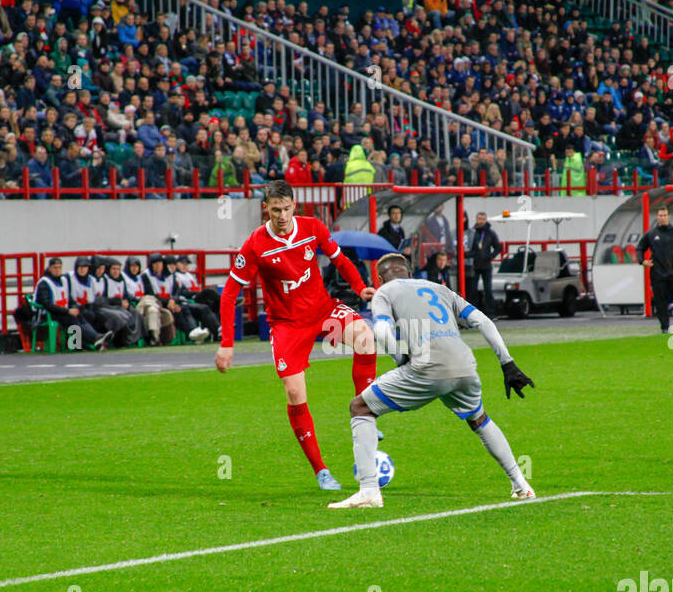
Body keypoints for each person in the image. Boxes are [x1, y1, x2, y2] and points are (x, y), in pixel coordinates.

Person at [328, 252, 536, 508]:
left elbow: (381, 331)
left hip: (426, 366)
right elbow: (483, 321)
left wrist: (399, 359)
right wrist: (508, 364)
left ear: (379, 278)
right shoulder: (440, 288)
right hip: (464, 365)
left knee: (360, 407)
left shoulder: (384, 292)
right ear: (410, 273)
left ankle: (369, 490)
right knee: (479, 419)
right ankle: (520, 484)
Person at [217, 180, 378, 491]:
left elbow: (340, 260)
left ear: (294, 205)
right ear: (266, 208)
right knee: (294, 393)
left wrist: (360, 288)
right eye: (275, 209)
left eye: (286, 208)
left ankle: (364, 411)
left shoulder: (312, 227)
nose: (281, 215)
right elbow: (229, 294)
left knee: (365, 336)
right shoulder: (255, 245)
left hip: (322, 311)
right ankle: (321, 471)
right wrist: (227, 345)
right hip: (287, 325)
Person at [33, 257, 107, 350]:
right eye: (55, 267)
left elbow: (69, 299)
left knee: (81, 315)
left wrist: (75, 307)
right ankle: (90, 341)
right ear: (50, 268)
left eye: (59, 267)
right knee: (71, 319)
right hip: (48, 314)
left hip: (63, 311)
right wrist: (67, 311)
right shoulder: (44, 283)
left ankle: (94, 339)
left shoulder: (64, 280)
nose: (57, 270)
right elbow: (47, 304)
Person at [464, 211, 502, 316]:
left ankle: (490, 313)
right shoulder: (473, 232)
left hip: (486, 265)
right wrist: (463, 254)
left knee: (488, 290)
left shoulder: (490, 233)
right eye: (479, 219)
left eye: (483, 219)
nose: (480, 221)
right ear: (476, 219)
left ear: (486, 220)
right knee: (473, 290)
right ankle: (473, 314)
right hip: (475, 265)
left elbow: (498, 248)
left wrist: (490, 256)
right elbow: (471, 249)